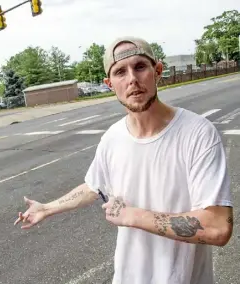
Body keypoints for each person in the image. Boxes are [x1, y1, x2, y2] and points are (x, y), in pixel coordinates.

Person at [14, 36, 234, 284]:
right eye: (120, 72)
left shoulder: (198, 133)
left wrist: (133, 216)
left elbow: (217, 227)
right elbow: (95, 186)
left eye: (140, 66)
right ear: (110, 84)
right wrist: (48, 208)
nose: (132, 79)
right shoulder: (112, 138)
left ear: (157, 71)